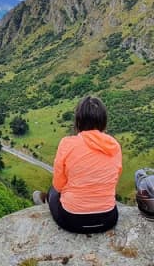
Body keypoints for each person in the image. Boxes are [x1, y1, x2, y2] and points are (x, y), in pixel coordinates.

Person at [33, 96, 122, 233]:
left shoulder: (67, 144)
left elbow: (58, 185)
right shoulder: (114, 145)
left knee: (53, 191)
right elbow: (114, 178)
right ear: (104, 122)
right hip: (108, 219)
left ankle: (46, 202)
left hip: (72, 220)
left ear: (78, 121)